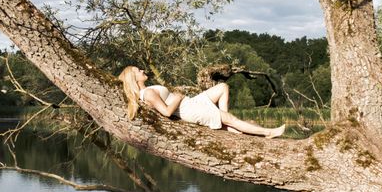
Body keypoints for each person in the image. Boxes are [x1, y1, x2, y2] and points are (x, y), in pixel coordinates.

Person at [118, 66, 286, 138]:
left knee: (222, 87)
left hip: (190, 103)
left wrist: (179, 97)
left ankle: (225, 121)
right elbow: (167, 112)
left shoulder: (147, 90)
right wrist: (177, 97)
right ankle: (268, 133)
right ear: (134, 78)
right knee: (233, 120)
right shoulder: (147, 93)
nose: (141, 70)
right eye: (137, 70)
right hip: (188, 110)